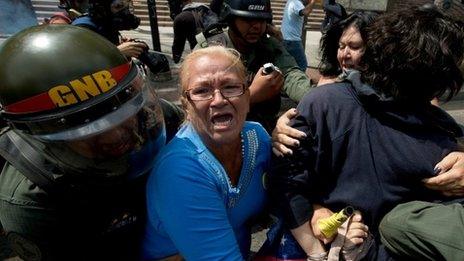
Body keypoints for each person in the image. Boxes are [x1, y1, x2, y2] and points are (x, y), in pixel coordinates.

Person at [267, 5, 464, 260]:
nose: (345, 54)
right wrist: (316, 236)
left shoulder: (440, 131)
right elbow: (286, 181)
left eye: (355, 46)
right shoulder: (324, 104)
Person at [0, 25, 182, 260]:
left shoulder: (151, 117)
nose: (115, 136)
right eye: (88, 129)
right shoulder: (31, 201)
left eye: (120, 113)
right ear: (44, 134)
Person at [142, 46, 271, 260]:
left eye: (230, 87)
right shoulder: (181, 170)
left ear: (247, 96)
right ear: (186, 105)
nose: (218, 100)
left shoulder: (257, 138)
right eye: (202, 91)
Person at [196, 0, 314, 133]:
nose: (257, 26)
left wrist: (318, 97)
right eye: (248, 20)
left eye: (262, 20)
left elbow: (292, 75)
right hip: (219, 133)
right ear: (231, 18)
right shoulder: (209, 51)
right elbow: (197, 108)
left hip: (263, 131)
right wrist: (250, 96)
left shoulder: (269, 46)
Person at [281, 0, 316, 71]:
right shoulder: (296, 3)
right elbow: (306, 12)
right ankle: (299, 81)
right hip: (292, 40)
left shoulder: (291, 1)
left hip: (286, 38)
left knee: (289, 65)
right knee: (302, 64)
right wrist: (313, 2)